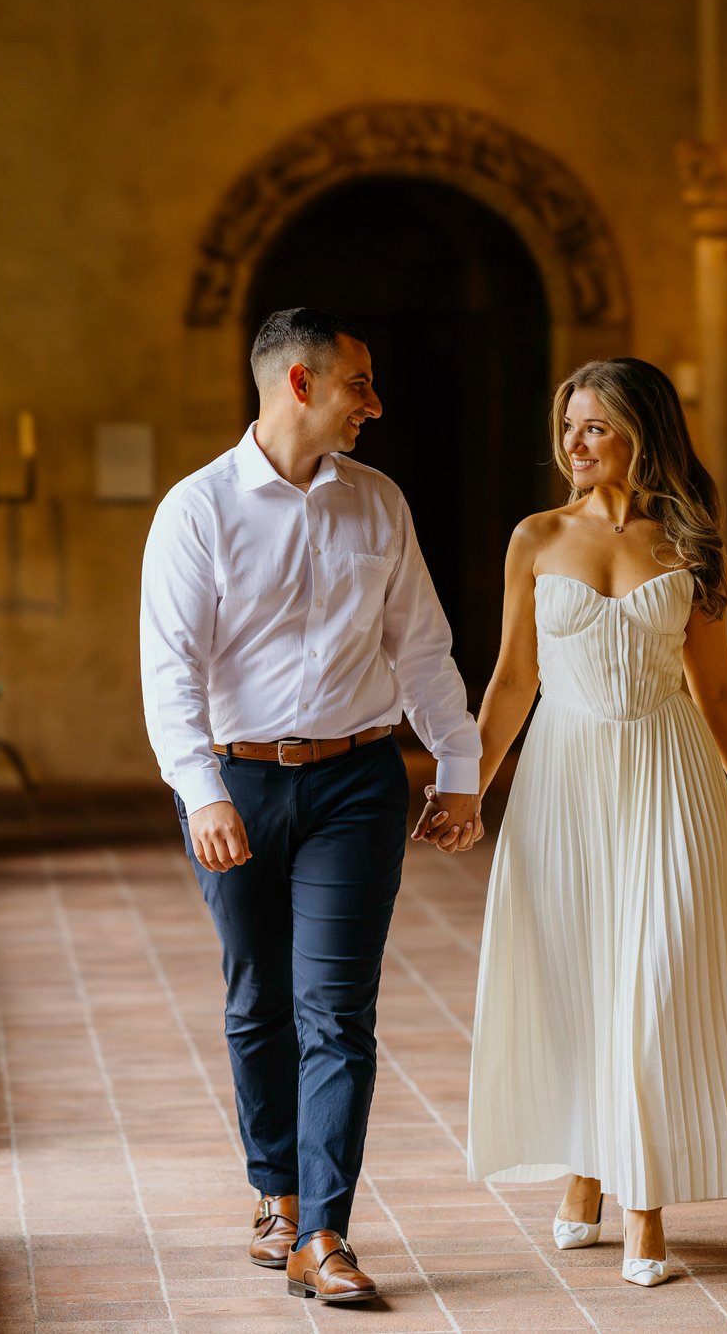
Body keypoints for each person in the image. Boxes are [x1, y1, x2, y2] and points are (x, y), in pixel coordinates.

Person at [416, 356, 727, 1288]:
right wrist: (468, 787)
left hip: (667, 775)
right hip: (562, 777)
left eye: (593, 427)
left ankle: (644, 1206)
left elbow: (715, 688)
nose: (573, 445)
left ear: (641, 432)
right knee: (580, 976)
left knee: (657, 978)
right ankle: (583, 1176)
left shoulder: (690, 543)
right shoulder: (535, 538)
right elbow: (513, 678)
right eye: (568, 427)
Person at [139, 307, 482, 1305]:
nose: (374, 403)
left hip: (355, 783)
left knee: (336, 1010)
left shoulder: (379, 504)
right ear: (299, 381)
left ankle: (323, 1230)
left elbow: (420, 645)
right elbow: (171, 668)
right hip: (237, 780)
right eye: (358, 383)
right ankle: (276, 1190)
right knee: (258, 1002)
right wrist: (199, 786)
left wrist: (456, 764)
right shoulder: (196, 510)